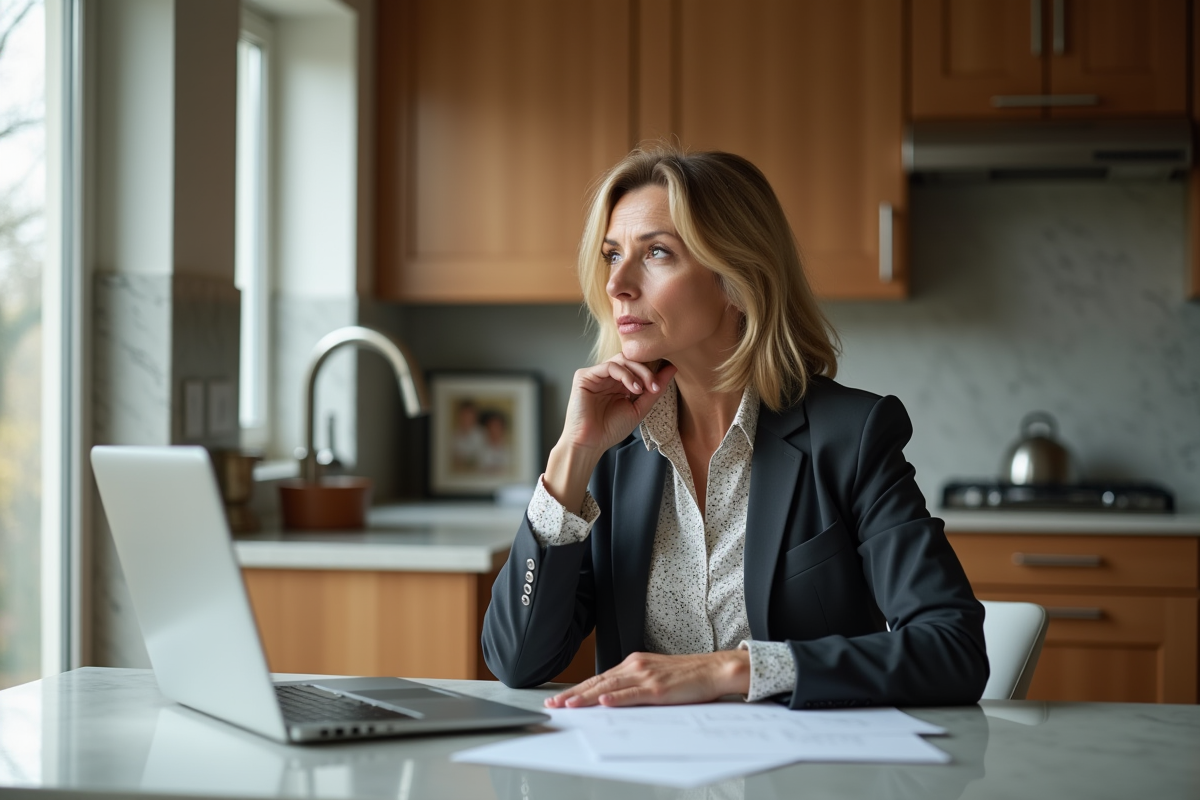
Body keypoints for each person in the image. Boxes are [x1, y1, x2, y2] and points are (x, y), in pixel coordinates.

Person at [481, 145, 988, 710]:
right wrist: (572, 454)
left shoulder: (852, 436)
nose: (618, 284)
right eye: (611, 255)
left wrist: (735, 669)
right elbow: (519, 662)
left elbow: (953, 649)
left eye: (656, 253)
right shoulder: (611, 450)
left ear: (736, 278)